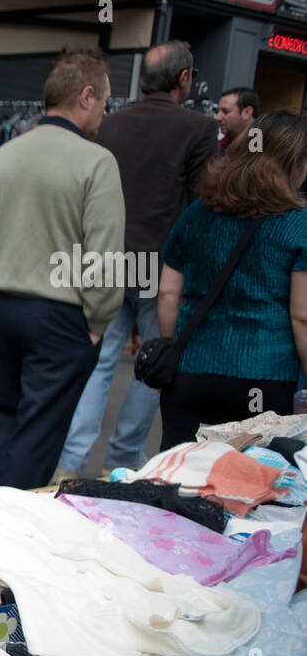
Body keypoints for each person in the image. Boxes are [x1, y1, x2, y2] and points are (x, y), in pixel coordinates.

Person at [53, 41, 219, 482]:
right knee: (154, 359)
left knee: (100, 360)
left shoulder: (111, 123)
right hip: (164, 265)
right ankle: (121, 459)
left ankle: (70, 460)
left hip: (106, 258)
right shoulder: (198, 129)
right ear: (184, 79)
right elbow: (206, 203)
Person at [0, 46, 125, 490]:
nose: (105, 113)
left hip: (2, 304)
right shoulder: (96, 162)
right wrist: (98, 322)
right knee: (39, 429)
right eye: (106, 102)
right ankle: (9, 530)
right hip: (62, 314)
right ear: (86, 96)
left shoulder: (5, 155)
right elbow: (105, 257)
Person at [155, 111, 307, 449]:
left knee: (178, 476)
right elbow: (302, 316)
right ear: (294, 164)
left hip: (191, 370)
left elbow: (167, 293)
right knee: (249, 483)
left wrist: (171, 348)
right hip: (263, 377)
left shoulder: (198, 213)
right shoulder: (299, 224)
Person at [216, 87, 258, 152]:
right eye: (218, 111)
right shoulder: (221, 143)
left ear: (247, 112)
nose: (218, 117)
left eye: (225, 111)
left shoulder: (263, 146)